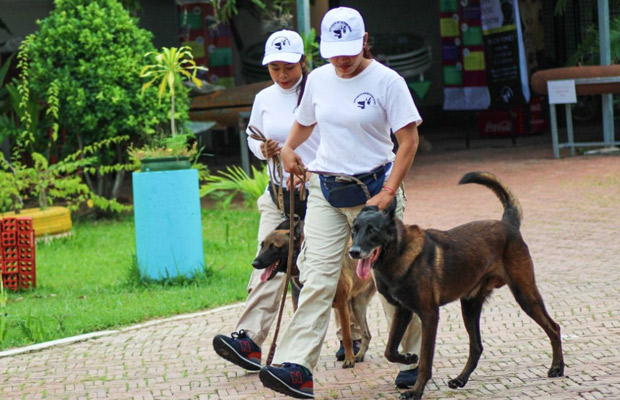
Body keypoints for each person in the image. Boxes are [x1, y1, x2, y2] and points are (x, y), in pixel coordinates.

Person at [258, 7, 423, 399]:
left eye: (349, 50)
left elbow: (408, 141)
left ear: (365, 42)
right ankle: (297, 367)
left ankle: (414, 357)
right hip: (326, 190)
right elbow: (305, 119)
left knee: (391, 279)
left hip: (374, 193)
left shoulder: (388, 81)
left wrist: (388, 191)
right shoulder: (318, 79)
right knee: (315, 276)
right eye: (334, 52)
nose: (342, 60)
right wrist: (289, 149)